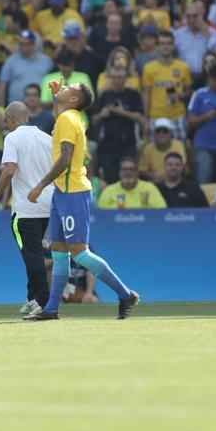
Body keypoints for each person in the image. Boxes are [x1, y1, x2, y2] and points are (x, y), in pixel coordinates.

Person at [27, 81, 139, 320]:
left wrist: (40, 185)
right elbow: (63, 130)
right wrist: (58, 96)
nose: (66, 86)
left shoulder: (68, 119)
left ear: (75, 99)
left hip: (72, 193)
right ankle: (51, 309)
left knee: (79, 253)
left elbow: (65, 158)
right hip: (63, 192)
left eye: (71, 87)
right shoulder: (70, 117)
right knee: (58, 250)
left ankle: (125, 294)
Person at [0, 101, 52, 317]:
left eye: (6, 119)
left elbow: (9, 170)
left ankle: (42, 302)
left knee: (31, 255)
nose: (5, 124)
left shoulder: (12, 138)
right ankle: (33, 298)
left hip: (25, 209)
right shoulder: (46, 139)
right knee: (35, 253)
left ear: (12, 118)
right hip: (47, 206)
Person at [92, 66, 144, 184]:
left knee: (129, 174)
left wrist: (122, 112)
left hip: (128, 143)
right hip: (107, 144)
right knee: (110, 177)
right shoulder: (104, 95)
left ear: (126, 78)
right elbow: (94, 120)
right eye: (114, 77)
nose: (117, 80)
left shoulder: (133, 95)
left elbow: (140, 118)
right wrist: (102, 114)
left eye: (120, 77)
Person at [98, 156, 166, 209]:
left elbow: (161, 211)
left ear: (137, 172)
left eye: (131, 169)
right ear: (119, 172)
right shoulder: (109, 191)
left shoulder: (149, 188)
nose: (128, 172)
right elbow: (100, 216)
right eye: (124, 169)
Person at [138, 118, 187, 183]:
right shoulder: (148, 148)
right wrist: (152, 176)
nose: (161, 134)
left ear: (170, 134)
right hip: (154, 183)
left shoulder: (178, 145)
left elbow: (182, 168)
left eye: (165, 131)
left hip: (174, 181)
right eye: (158, 131)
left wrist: (165, 177)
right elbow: (142, 170)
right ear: (154, 134)